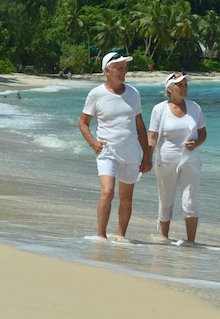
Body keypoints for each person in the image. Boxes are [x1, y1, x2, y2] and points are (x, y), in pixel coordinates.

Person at [78, 52, 152, 242]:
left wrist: (147, 154)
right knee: (107, 192)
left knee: (126, 197)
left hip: (131, 152)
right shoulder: (96, 94)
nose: (123, 71)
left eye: (124, 67)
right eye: (119, 68)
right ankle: (101, 235)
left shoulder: (133, 93)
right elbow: (83, 123)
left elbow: (140, 125)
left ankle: (120, 236)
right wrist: (93, 143)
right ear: (107, 71)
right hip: (107, 151)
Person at [148, 72, 207, 245]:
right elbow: (152, 136)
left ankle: (191, 242)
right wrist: (147, 156)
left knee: (190, 201)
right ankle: (164, 239)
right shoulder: (160, 109)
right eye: (180, 85)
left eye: (185, 85)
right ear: (169, 88)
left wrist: (196, 143)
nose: (184, 88)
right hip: (166, 160)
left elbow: (203, 133)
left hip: (191, 160)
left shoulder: (195, 107)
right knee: (166, 199)